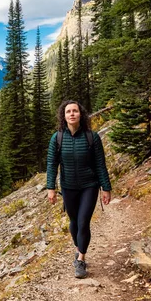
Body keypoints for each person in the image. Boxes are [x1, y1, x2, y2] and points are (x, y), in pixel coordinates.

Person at [46, 100, 111, 279]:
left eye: (75, 111)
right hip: (68, 187)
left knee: (83, 222)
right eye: (68, 111)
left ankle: (81, 259)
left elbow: (100, 164)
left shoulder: (92, 137)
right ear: (64, 116)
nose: (72, 114)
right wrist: (51, 188)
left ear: (80, 114)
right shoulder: (57, 138)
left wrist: (106, 187)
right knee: (73, 222)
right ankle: (78, 247)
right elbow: (52, 164)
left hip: (89, 186)